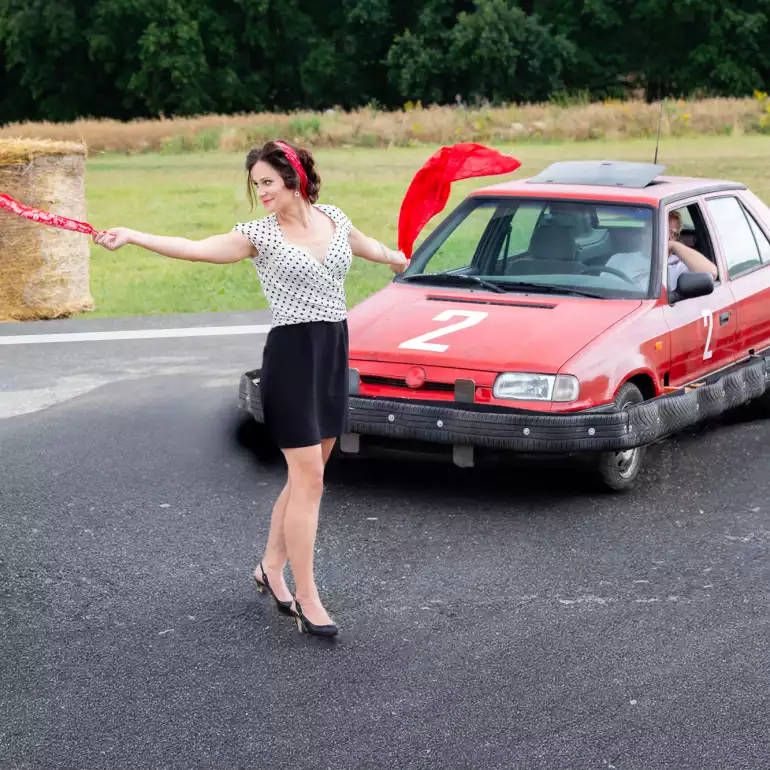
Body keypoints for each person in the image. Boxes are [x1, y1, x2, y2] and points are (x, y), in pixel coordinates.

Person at [92, 140, 408, 637]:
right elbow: (197, 249)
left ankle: (270, 567)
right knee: (310, 479)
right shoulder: (259, 235)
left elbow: (369, 247)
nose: (261, 192)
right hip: (291, 359)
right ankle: (307, 597)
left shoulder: (333, 218)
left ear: (295, 178)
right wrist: (133, 236)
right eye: (256, 184)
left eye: (268, 182)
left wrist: (397, 259)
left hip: (332, 356)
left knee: (307, 478)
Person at [604, 210, 718, 291]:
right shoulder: (619, 259)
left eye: (673, 233)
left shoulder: (679, 265)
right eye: (663, 230)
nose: (668, 235)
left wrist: (673, 245)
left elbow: (712, 273)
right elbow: (605, 290)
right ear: (645, 231)